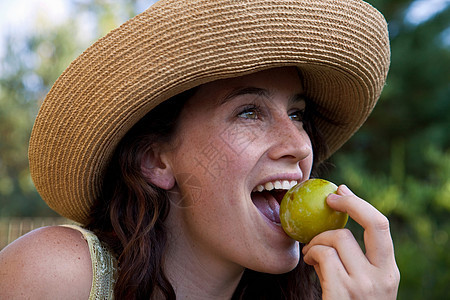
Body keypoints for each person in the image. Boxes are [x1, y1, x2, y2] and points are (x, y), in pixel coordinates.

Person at [0, 0, 400, 299]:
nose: (299, 145)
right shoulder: (58, 275)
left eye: (297, 115)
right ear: (155, 160)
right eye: (249, 112)